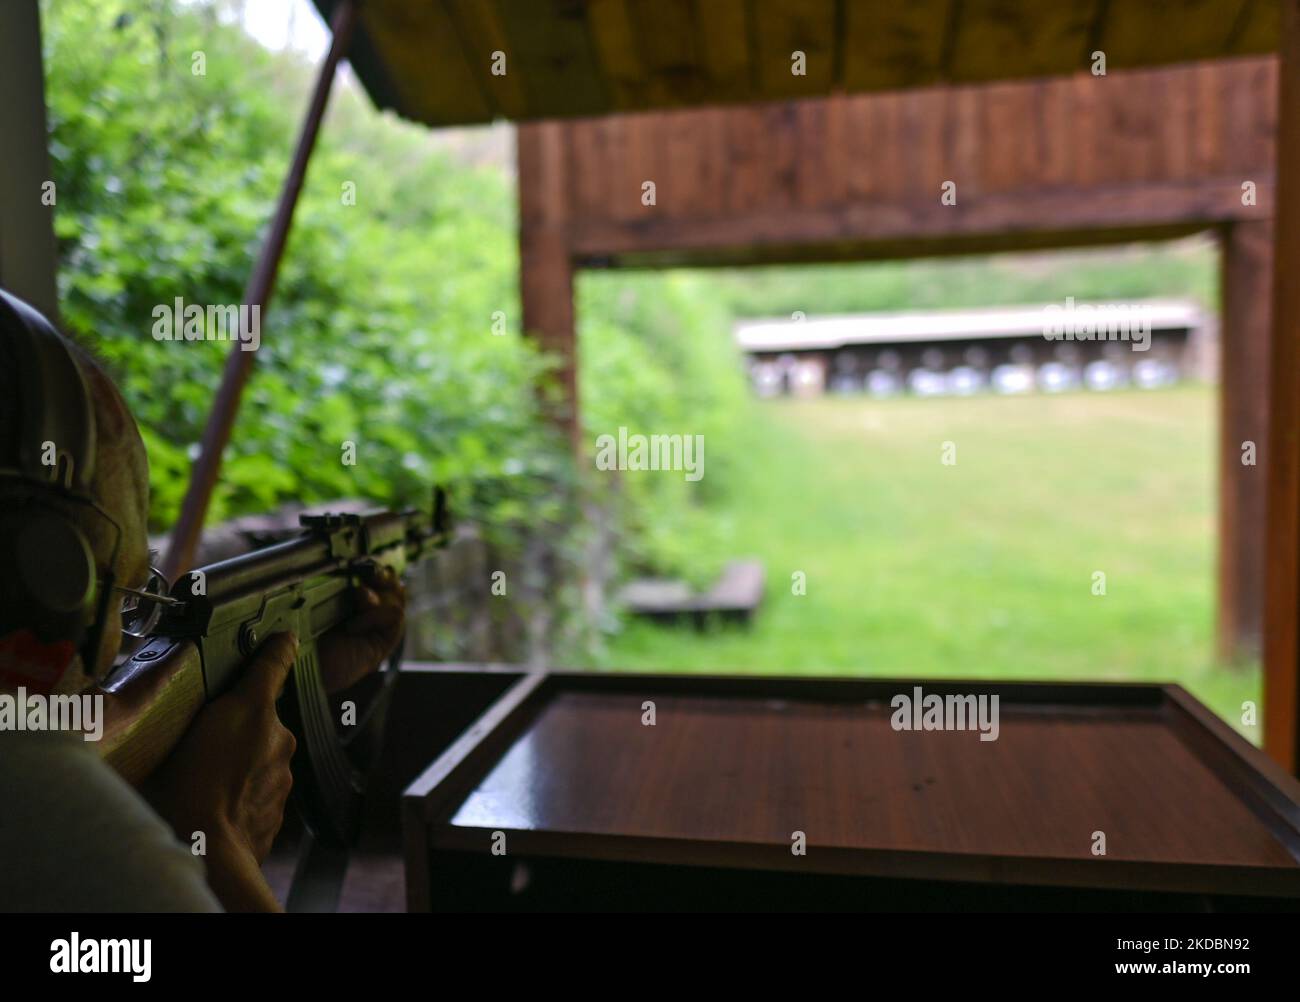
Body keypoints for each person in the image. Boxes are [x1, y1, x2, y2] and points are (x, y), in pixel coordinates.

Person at [0, 288, 406, 911]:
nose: (116, 643)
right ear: (42, 584)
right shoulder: (59, 828)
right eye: (124, 594)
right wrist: (216, 839)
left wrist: (295, 683)